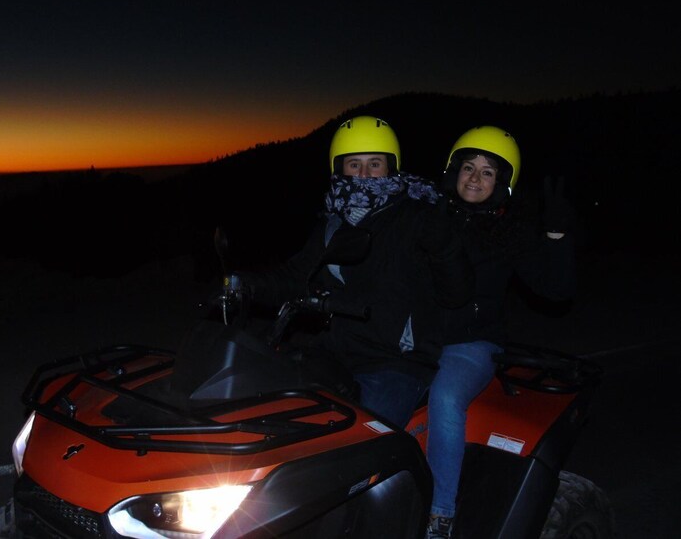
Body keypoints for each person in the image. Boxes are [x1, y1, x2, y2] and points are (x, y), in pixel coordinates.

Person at [233, 115, 474, 429]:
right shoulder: (333, 223)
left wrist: (445, 245)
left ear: (391, 166)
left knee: (364, 445)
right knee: (275, 417)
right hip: (335, 352)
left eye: (375, 164)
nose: (364, 174)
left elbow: (456, 294)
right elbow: (295, 277)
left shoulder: (418, 216)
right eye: (354, 164)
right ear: (339, 168)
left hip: (396, 364)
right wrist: (246, 284)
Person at [424, 125, 576, 539]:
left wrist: (557, 235)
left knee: (446, 396)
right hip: (419, 338)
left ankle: (440, 515)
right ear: (452, 171)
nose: (475, 178)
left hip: (471, 344)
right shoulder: (429, 219)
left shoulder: (510, 234)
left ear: (503, 183)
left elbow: (556, 290)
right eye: (468, 167)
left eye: (489, 172)